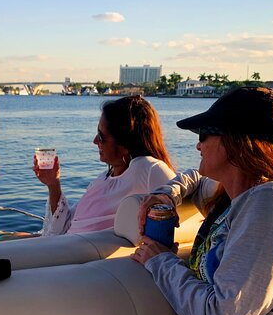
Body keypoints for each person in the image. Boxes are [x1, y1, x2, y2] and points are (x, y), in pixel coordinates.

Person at [131, 87, 273, 315]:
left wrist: (161, 261)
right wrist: (167, 194)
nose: (198, 144)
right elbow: (193, 178)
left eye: (204, 134)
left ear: (236, 140)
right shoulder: (231, 195)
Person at [34, 95, 175, 236]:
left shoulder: (148, 168)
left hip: (76, 255)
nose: (95, 141)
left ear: (126, 143)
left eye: (101, 136)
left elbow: (181, 196)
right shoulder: (103, 179)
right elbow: (63, 227)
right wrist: (53, 184)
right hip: (62, 248)